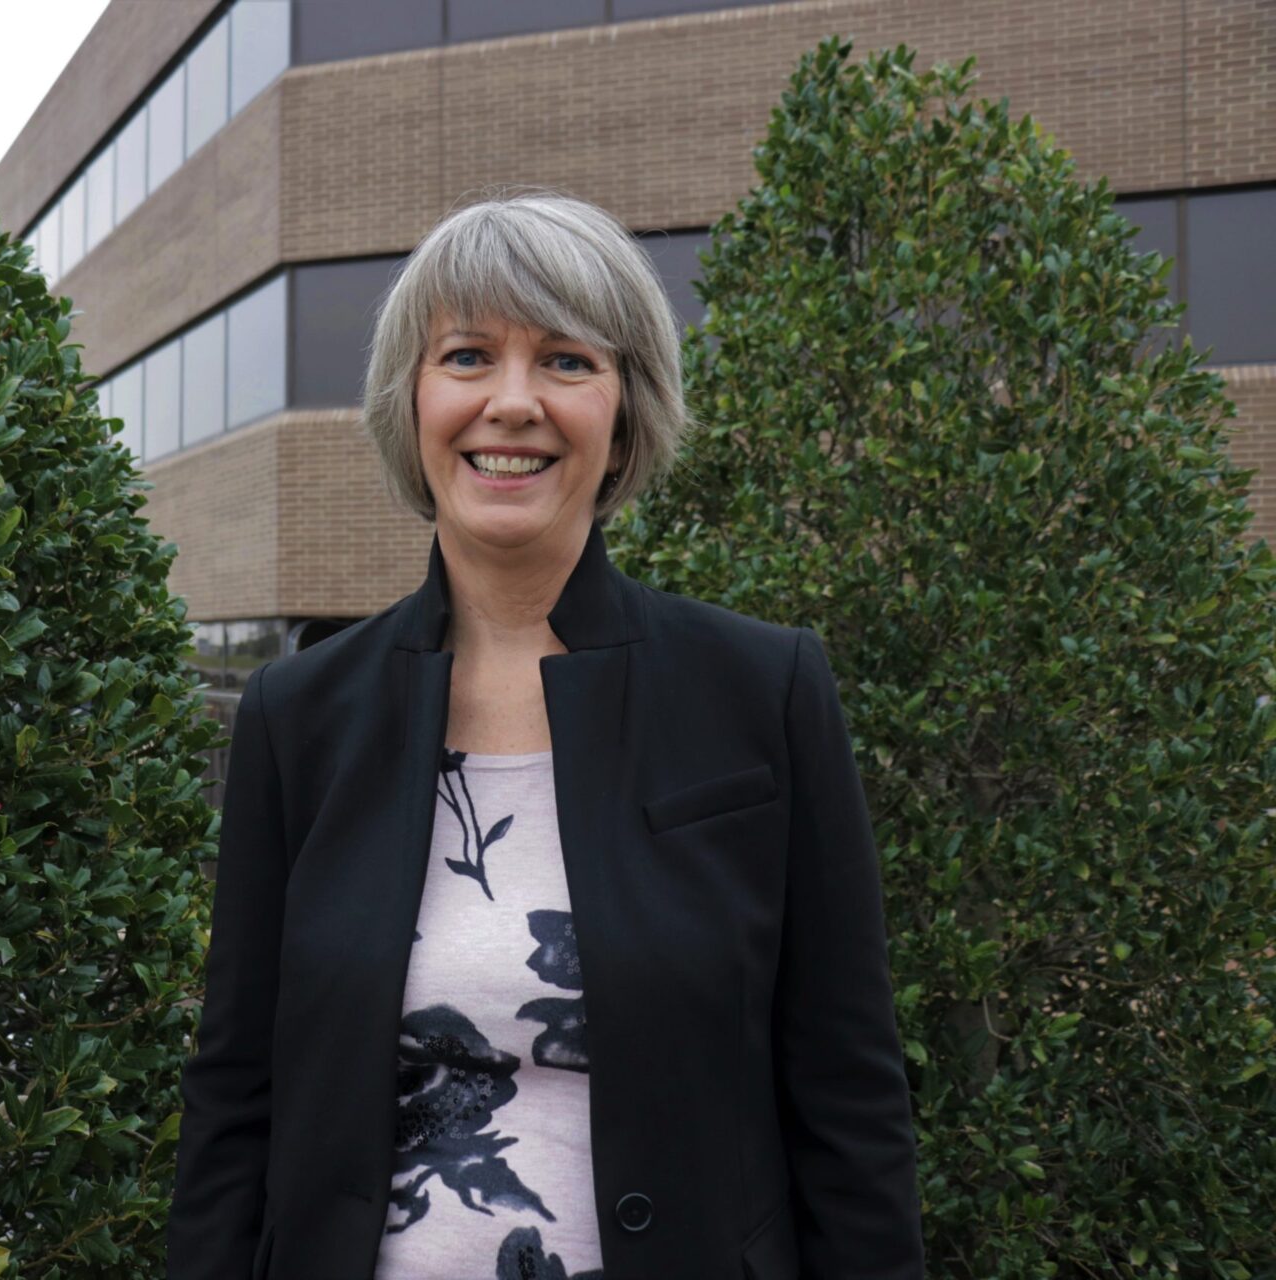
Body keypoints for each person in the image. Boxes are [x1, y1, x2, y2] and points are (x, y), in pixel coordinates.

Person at [165, 189, 923, 1280]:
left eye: (567, 360)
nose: (511, 402)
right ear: (413, 399)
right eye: (468, 355)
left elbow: (851, 1099)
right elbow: (236, 1096)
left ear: (624, 412)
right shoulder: (301, 717)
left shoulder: (764, 690)